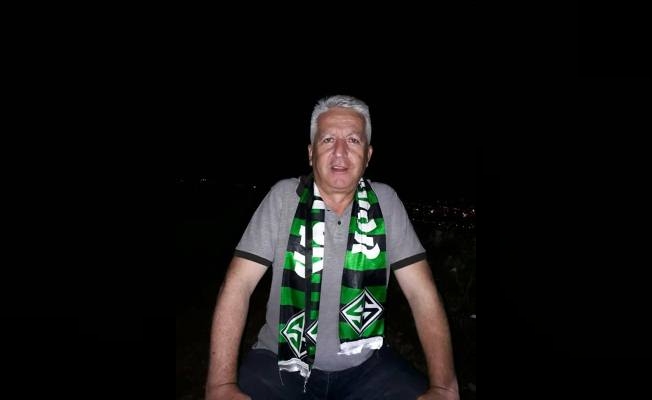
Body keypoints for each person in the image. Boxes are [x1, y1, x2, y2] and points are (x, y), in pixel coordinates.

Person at [205, 95, 459, 400]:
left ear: (368, 155)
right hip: (279, 360)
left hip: (366, 365)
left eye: (353, 140)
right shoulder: (283, 197)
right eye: (328, 139)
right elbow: (238, 285)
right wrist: (220, 383)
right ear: (311, 153)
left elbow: (421, 293)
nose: (340, 151)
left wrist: (444, 386)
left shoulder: (386, 202)